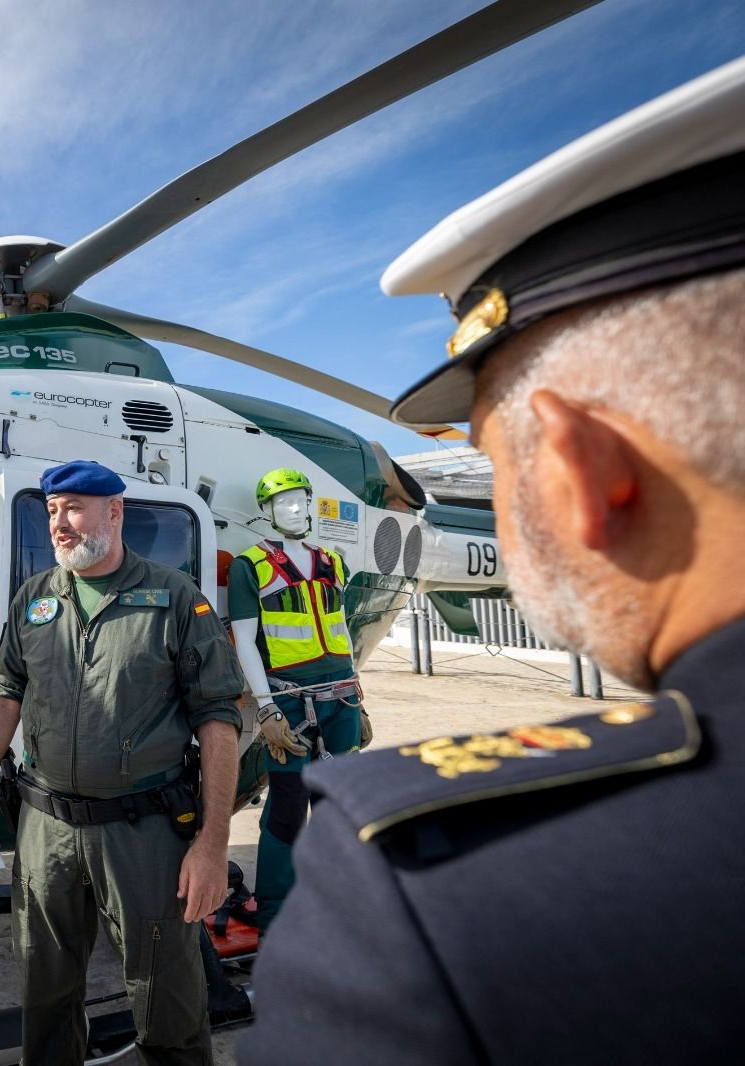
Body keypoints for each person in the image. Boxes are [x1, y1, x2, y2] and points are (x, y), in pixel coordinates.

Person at [241, 58, 745, 1063]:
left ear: (574, 465)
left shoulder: (432, 896)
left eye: (491, 453)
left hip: (328, 697)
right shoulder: (261, 569)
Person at [0, 459, 245, 1066]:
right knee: (45, 990)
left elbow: (219, 721)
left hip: (144, 831)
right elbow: (2, 694)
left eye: (73, 509)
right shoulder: (35, 598)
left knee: (167, 993)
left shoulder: (173, 598)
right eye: (52, 512)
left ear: (114, 513)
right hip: (47, 828)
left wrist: (213, 844)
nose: (59, 525)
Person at [228, 467, 370, 927]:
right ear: (266, 512)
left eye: (300, 500)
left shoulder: (333, 561)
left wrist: (359, 698)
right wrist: (265, 706)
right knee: (288, 805)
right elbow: (245, 641)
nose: (294, 509)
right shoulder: (250, 567)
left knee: (338, 802)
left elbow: (341, 630)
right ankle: (274, 910)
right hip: (290, 702)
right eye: (282, 503)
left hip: (342, 697)